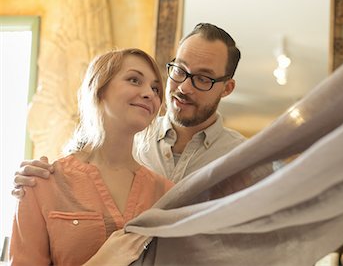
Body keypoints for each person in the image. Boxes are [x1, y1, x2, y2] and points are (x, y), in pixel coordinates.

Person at [12, 23, 246, 196]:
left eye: (203, 79)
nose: (184, 87)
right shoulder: (126, 137)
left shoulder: (244, 160)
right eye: (179, 71)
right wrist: (36, 181)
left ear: (227, 88)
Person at [9, 48, 174, 265]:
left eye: (155, 88)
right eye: (134, 80)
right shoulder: (41, 183)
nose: (150, 94)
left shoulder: (166, 193)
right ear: (99, 89)